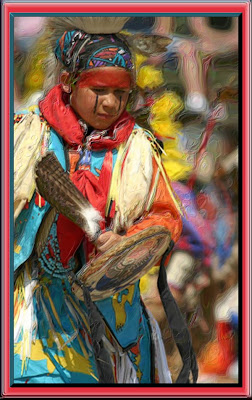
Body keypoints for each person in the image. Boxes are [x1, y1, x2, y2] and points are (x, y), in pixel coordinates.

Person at [13, 17, 186, 384]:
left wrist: (127, 243)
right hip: (35, 307)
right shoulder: (28, 136)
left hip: (111, 315)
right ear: (68, 83)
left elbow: (165, 217)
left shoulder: (136, 148)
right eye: (99, 90)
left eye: (120, 94)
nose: (110, 103)